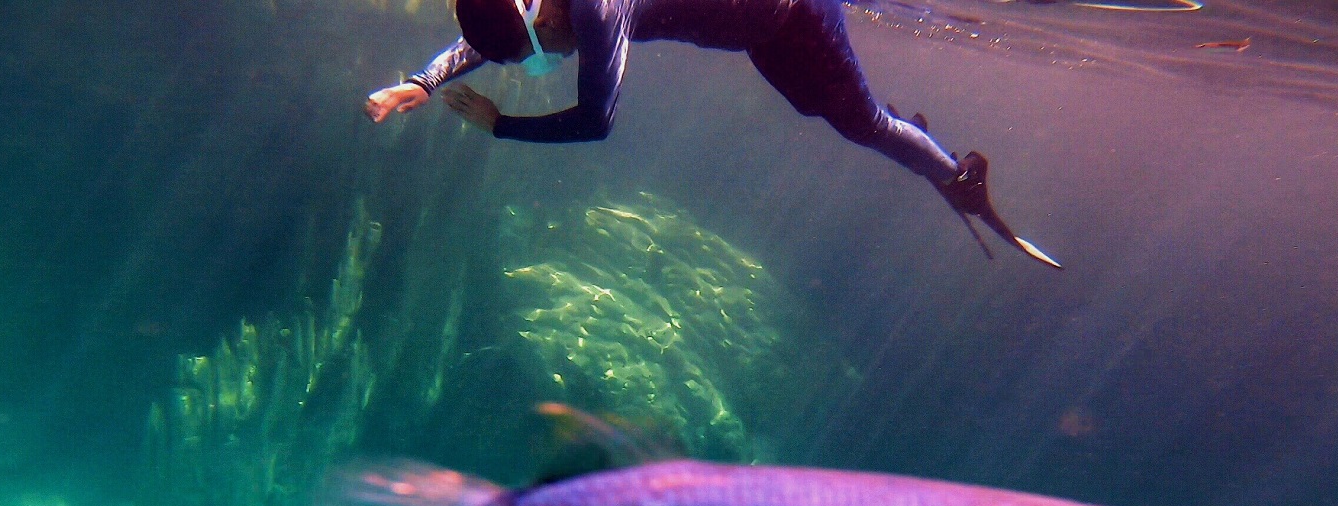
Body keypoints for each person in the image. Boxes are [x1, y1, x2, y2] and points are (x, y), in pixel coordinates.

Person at [365, 0, 1060, 267]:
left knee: (862, 124)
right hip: (759, 30)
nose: (547, 58)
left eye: (536, 52)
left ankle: (960, 180)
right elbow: (491, 33)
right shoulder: (540, 11)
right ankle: (919, 142)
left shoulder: (598, 13)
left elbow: (596, 120)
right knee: (821, 110)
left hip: (794, 17)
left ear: (539, 20)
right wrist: (425, 81)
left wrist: (501, 125)